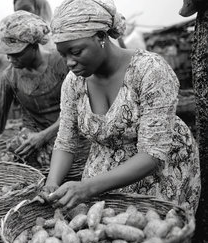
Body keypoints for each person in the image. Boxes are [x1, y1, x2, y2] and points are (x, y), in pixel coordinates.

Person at [42, 0, 201, 213]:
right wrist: (52, 183)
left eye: (76, 52)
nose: (69, 62)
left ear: (100, 37)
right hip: (102, 173)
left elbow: (151, 154)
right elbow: (65, 141)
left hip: (158, 173)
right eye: (64, 55)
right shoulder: (74, 83)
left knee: (155, 234)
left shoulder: (149, 71)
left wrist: (87, 188)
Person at [0, 11, 89, 177]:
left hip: (74, 140)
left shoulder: (61, 63)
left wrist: (44, 136)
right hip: (35, 143)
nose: (10, 58)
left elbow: (78, 109)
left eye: (16, 53)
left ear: (33, 46)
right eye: (8, 53)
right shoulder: (9, 77)